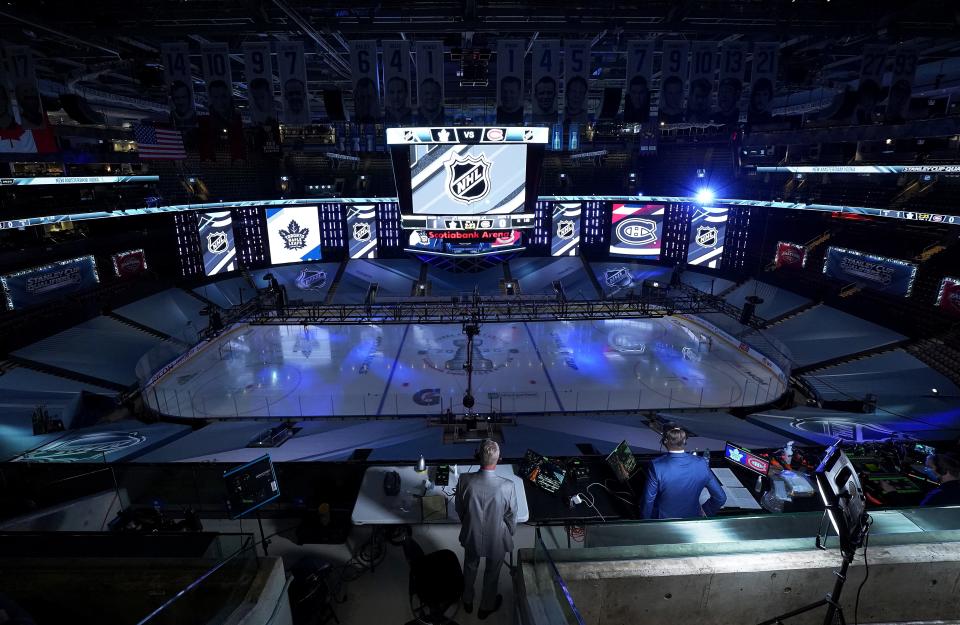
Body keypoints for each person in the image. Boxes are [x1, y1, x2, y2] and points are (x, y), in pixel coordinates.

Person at [455, 439, 517, 619]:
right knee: (492, 573)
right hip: (497, 539)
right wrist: (510, 532)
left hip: (471, 535)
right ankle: (486, 606)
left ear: (477, 457)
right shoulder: (508, 486)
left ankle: (467, 599)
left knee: (469, 566)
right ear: (498, 459)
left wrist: (468, 523)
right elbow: (511, 516)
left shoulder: (464, 480)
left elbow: (460, 509)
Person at [642, 425, 726, 519]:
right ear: (684, 441)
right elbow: (721, 498)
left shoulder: (656, 466)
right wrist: (705, 512)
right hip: (693, 518)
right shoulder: (702, 463)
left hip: (663, 522)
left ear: (665, 441)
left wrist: (645, 522)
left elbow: (648, 501)